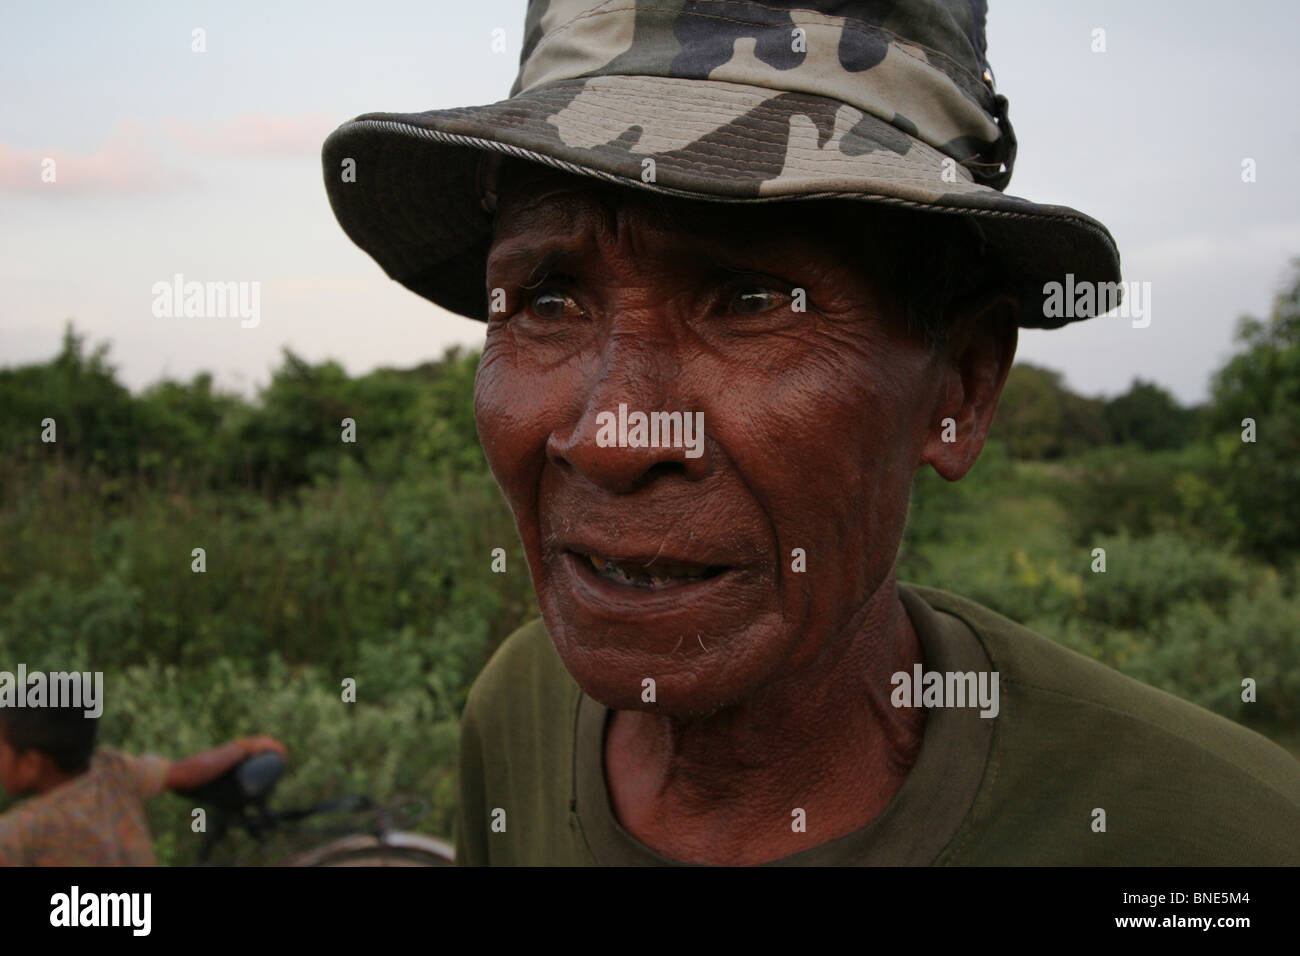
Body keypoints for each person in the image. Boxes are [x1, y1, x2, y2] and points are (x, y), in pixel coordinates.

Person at [322, 0, 1300, 865]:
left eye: (748, 298)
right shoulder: (518, 711)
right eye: (544, 299)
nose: (614, 436)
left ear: (959, 383)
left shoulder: (1221, 839)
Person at [0, 702, 286, 866]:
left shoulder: (21, 830)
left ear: (31, 764)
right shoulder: (112, 770)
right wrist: (245, 746)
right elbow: (186, 772)